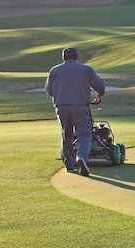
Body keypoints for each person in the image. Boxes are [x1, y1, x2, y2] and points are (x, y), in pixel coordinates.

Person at [45, 47, 106, 176]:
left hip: (61, 106)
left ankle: (69, 166)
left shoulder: (54, 70)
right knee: (84, 133)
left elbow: (49, 90)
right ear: (77, 57)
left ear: (63, 58)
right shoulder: (86, 70)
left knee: (67, 134)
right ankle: (82, 157)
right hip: (80, 106)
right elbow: (100, 87)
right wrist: (98, 93)